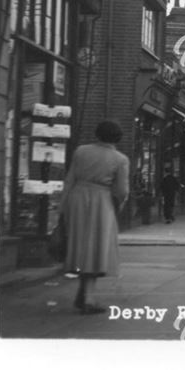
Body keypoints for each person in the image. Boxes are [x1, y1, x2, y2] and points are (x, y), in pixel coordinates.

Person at [61, 120, 129, 314]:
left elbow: (70, 179)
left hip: (77, 198)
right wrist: (120, 203)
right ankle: (89, 298)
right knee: (97, 248)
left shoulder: (81, 151)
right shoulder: (120, 159)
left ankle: (83, 293)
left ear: (97, 134)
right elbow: (122, 190)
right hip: (101, 201)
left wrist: (63, 205)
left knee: (81, 245)